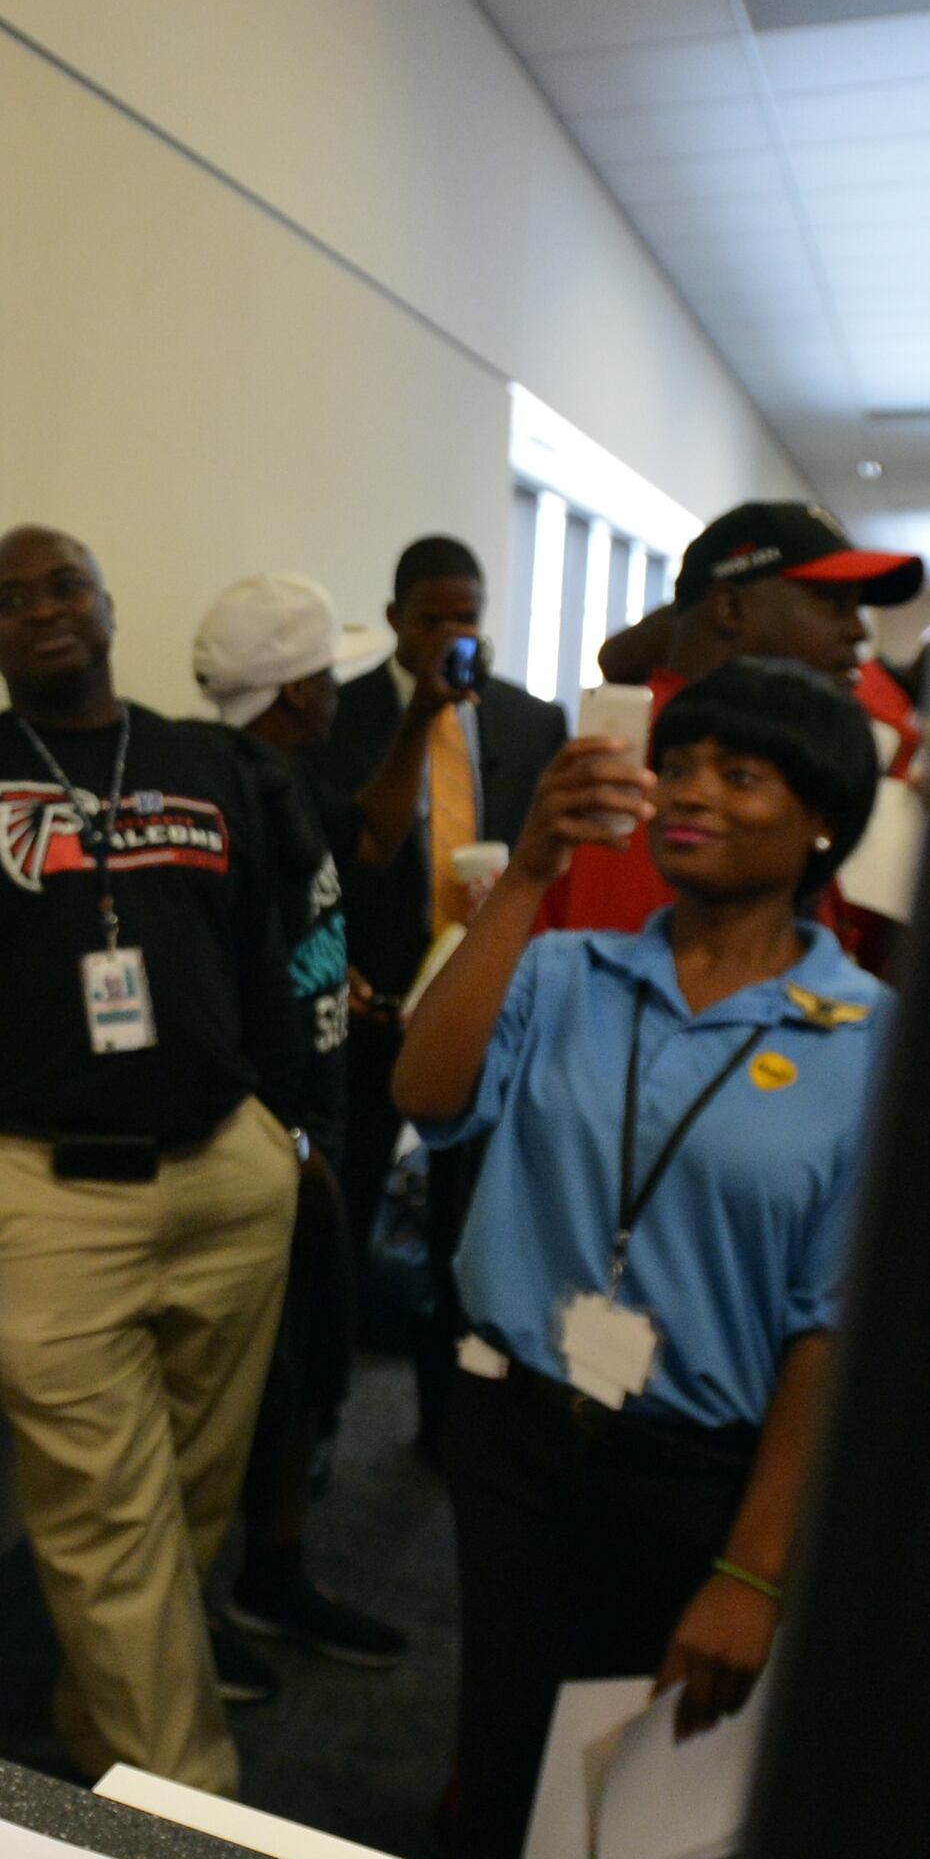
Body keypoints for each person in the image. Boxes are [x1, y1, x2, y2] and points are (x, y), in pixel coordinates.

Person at [391, 658, 889, 1859]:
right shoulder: (561, 969)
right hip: (518, 1441)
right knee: (510, 1795)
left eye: (743, 774)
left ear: (825, 823)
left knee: (661, 1835)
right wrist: (530, 874)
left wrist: (755, 1569)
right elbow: (427, 1089)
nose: (692, 796)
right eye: (680, 765)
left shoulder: (867, 1039)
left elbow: (832, 1328)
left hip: (698, 1481)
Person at [0, 526, 317, 1781]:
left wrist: (297, 1125)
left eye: (65, 585)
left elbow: (261, 962)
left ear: (110, 606)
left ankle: (97, 1721)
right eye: (10, 599)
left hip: (229, 1176)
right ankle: (186, 1810)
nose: (42, 609)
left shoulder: (206, 767)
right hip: (45, 1204)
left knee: (186, 1498)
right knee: (109, 1521)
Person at [192, 573, 410, 1670]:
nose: (338, 690)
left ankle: (274, 1576)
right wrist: (296, 1140)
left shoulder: (281, 775)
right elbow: (221, 978)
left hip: (311, 1113)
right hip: (285, 1136)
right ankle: (236, 1594)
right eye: (326, 673)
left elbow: (309, 914)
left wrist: (341, 978)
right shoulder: (238, 791)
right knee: (266, 1379)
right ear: (293, 693)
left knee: (312, 1360)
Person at [313, 538, 568, 1340]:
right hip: (366, 999)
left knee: (471, 1214)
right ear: (395, 620)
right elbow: (318, 860)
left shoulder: (531, 721)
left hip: (483, 1001)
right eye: (433, 618)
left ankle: (447, 1412)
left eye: (469, 615)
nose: (454, 633)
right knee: (343, 1206)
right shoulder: (336, 713)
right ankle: (326, 1410)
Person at [542, 502, 924, 961]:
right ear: (729, 608)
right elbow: (635, 998)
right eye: (832, 603)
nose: (858, 632)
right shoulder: (656, 764)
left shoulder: (777, 749)